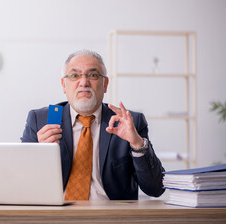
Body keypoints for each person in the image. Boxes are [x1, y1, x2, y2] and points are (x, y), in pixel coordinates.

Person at [21, 49, 165, 200]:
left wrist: (137, 144)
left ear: (105, 84)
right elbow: (22, 183)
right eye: (74, 75)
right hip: (56, 214)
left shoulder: (128, 122)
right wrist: (38, 154)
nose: (83, 82)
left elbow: (155, 189)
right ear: (64, 85)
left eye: (93, 75)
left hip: (111, 216)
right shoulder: (43, 119)